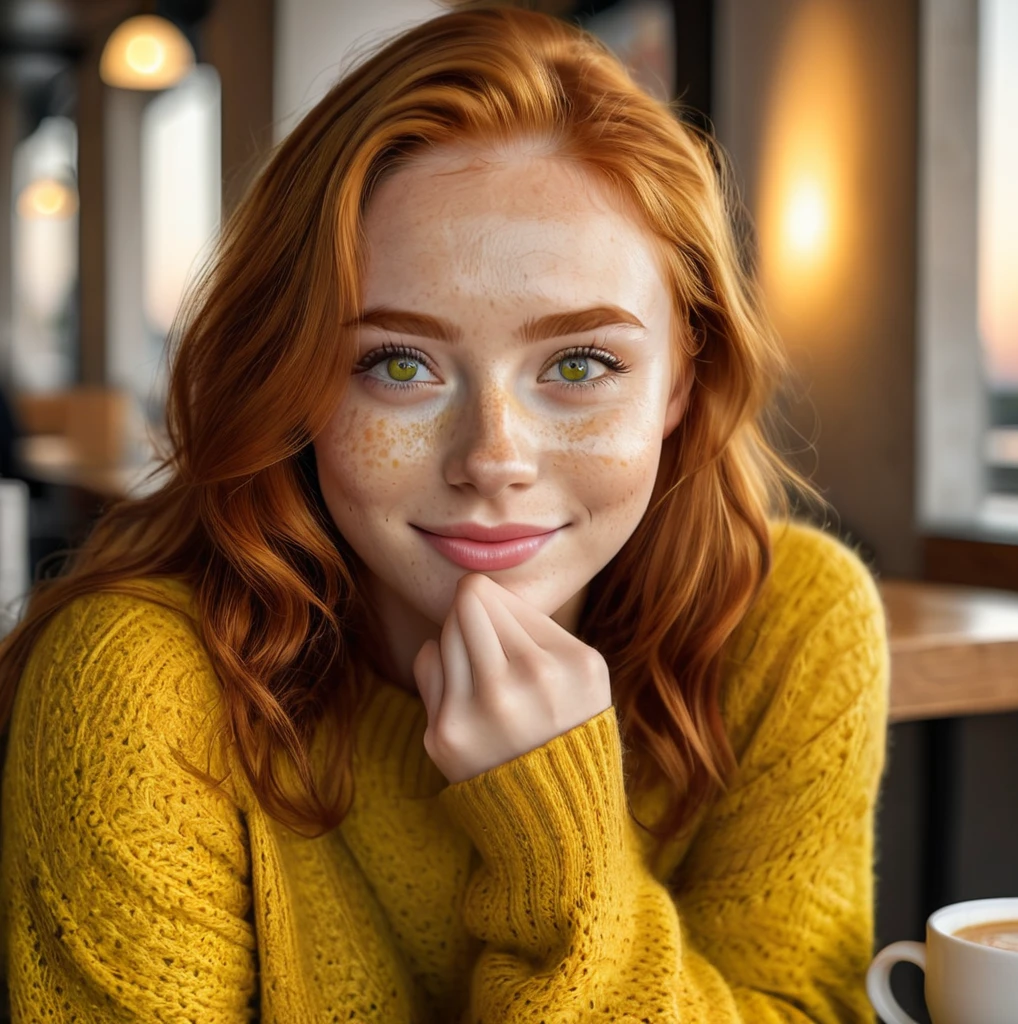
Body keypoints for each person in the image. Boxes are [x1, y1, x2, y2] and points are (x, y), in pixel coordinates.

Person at [0, 5, 889, 1021]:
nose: (491, 459)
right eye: (398, 364)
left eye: (580, 363)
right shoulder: (139, 687)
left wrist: (561, 865)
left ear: (682, 380)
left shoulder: (791, 631)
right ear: (297, 383)